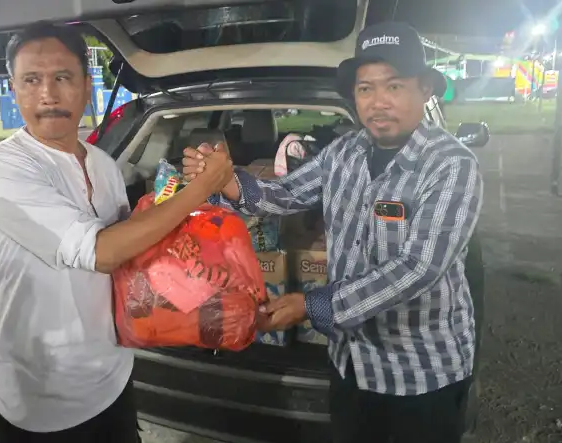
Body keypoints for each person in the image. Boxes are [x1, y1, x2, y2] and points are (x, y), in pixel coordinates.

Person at [183, 22, 483, 443]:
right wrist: (225, 181)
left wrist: (311, 305)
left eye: (394, 86)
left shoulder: (452, 165)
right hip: (350, 365)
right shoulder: (344, 153)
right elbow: (286, 194)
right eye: (365, 89)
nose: (378, 102)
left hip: (420, 375)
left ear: (425, 88)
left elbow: (416, 269)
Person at [0, 23, 233, 443]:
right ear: (14, 88)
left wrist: (217, 292)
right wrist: (201, 188)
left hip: (112, 371)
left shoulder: (104, 165)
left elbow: (135, 252)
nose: (48, 95)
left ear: (86, 85)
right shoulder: (0, 168)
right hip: (40, 392)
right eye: (31, 80)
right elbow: (103, 252)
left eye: (62, 77)